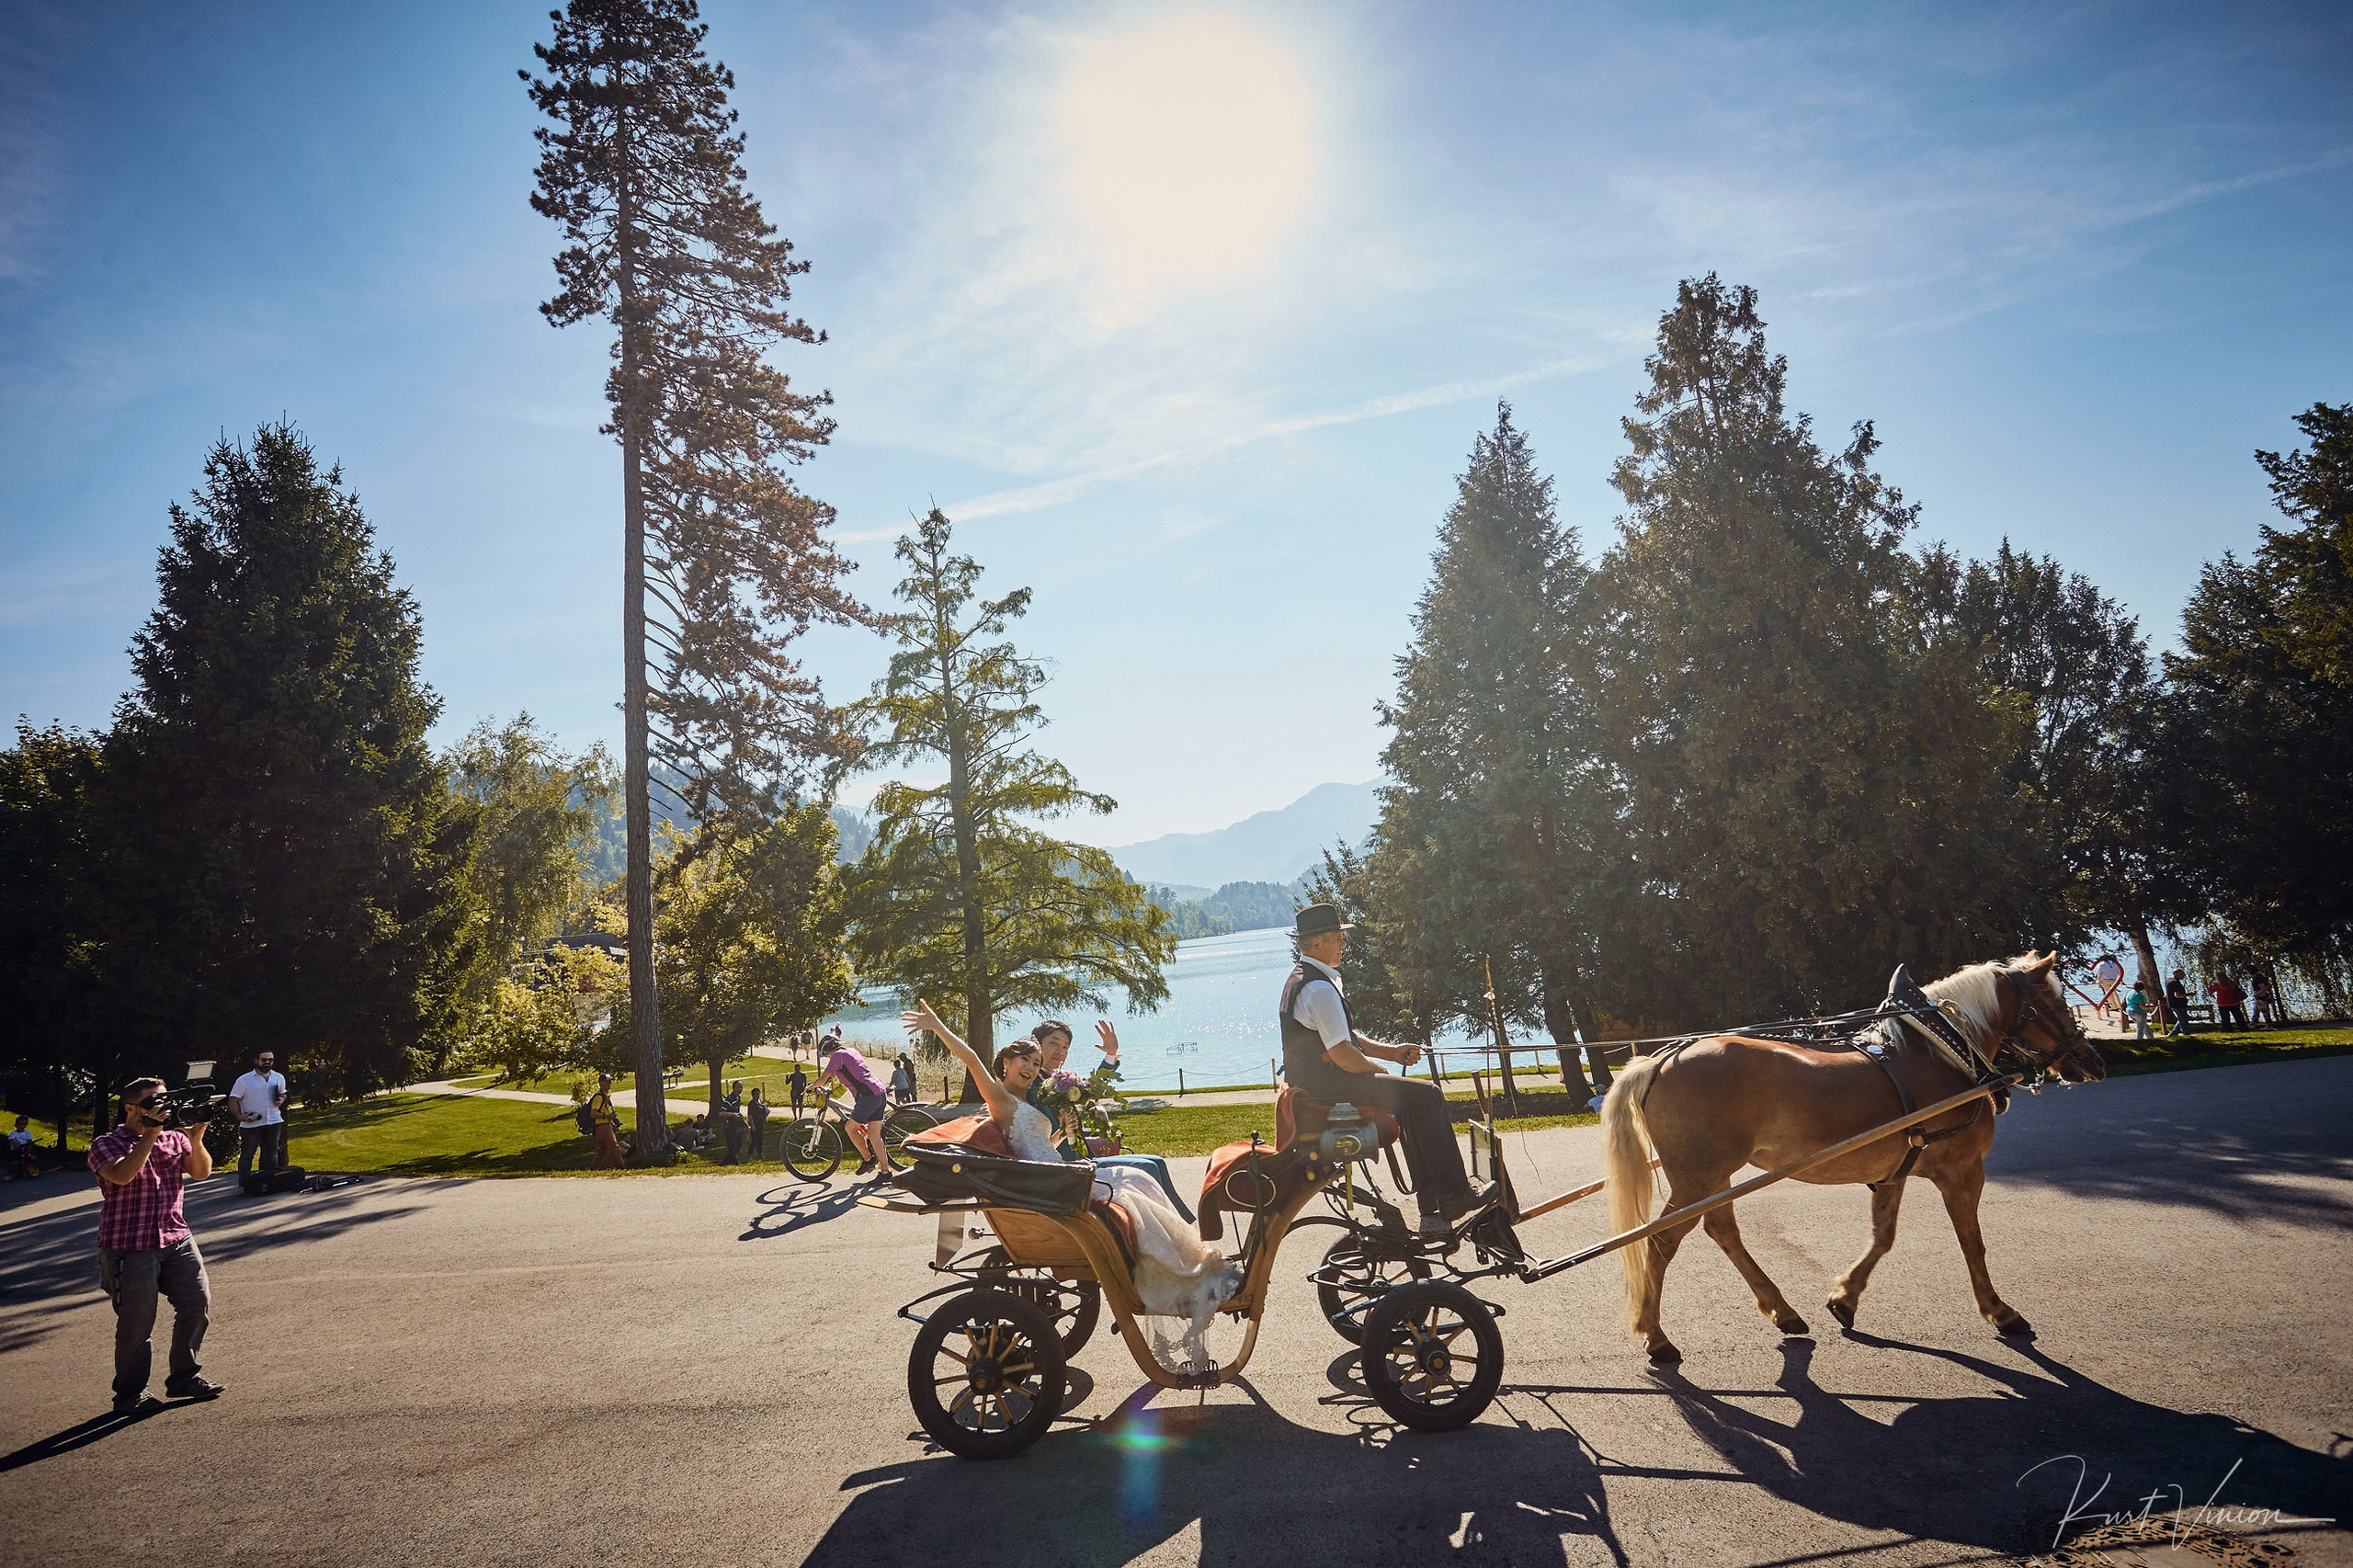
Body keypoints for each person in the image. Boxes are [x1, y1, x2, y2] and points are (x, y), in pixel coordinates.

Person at [904, 999, 1239, 1332]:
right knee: (1131, 1185)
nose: (1032, 1068)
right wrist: (938, 1027)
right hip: (1048, 1181)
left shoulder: (1024, 1100)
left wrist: (1062, 1132)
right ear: (1005, 1062)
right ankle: (1171, 1276)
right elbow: (972, 1059)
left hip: (1052, 1171)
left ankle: (1185, 1263)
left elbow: (1034, 1147)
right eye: (1025, 1060)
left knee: (1139, 1179)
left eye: (1036, 1063)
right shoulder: (1001, 1098)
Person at [1281, 902, 1484, 1234]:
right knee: (1429, 1096)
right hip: (1330, 1087)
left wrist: (1391, 1053)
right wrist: (1379, 1071)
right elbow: (1344, 1054)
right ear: (1315, 942)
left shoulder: (1305, 980)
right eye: (1336, 938)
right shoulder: (1318, 988)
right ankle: (1452, 1194)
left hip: (1318, 1084)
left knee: (1413, 1102)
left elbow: (1343, 1037)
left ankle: (1432, 1204)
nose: (1343, 945)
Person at [88, 1077, 222, 1414]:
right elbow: (121, 1176)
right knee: (137, 1322)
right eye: (153, 1102)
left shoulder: (174, 1138)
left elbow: (201, 1172)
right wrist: (149, 1135)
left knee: (196, 1303)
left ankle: (184, 1377)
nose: (163, 1107)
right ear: (131, 1108)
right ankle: (130, 1395)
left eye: (165, 1100)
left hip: (176, 1238)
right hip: (128, 1246)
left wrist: (196, 1136)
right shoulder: (107, 1143)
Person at [812, 1030, 898, 1182]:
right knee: (874, 1135)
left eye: (825, 1055)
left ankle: (868, 1159)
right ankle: (886, 1173)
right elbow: (851, 1075)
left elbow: (823, 1078)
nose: (827, 1058)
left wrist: (810, 1087)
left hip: (868, 1097)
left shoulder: (837, 1056)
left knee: (850, 1128)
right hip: (878, 1093)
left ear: (828, 1050)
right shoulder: (851, 1051)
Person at [227, 1050, 289, 1186]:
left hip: (273, 1120)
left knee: (272, 1153)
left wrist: (281, 1100)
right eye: (264, 1059)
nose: (267, 1062)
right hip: (251, 1123)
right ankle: (244, 1185)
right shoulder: (244, 1080)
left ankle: (271, 1182)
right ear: (256, 1061)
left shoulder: (278, 1077)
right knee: (248, 1154)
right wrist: (239, 1116)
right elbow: (233, 1099)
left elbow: (283, 1094)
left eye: (270, 1060)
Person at [586, 1074, 627, 1170]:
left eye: (610, 1082)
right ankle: (621, 1169)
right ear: (600, 1084)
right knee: (614, 1147)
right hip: (603, 1127)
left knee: (603, 1150)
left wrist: (612, 1122)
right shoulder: (599, 1097)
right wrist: (606, 1116)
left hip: (606, 1126)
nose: (609, 1084)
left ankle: (592, 1169)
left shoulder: (606, 1097)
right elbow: (593, 1113)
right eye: (607, 1082)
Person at [718, 1081, 747, 1165]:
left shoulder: (738, 1099)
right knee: (732, 1146)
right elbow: (721, 1113)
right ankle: (730, 1163)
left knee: (739, 1144)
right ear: (733, 1088)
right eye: (738, 1087)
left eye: (741, 1087)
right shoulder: (729, 1099)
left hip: (736, 1125)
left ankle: (727, 1162)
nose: (740, 1089)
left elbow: (737, 1111)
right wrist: (733, 1115)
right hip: (729, 1126)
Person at [6, 1113, 39, 1181]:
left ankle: (32, 1168)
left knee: (31, 1157)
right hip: (16, 1149)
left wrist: (29, 1147)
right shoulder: (13, 1134)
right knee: (15, 1162)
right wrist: (17, 1144)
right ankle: (9, 1173)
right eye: (20, 1124)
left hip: (25, 1148)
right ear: (16, 1125)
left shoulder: (27, 1133)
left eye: (24, 1124)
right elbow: (13, 1141)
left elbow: (30, 1141)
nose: (22, 1126)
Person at [745, 1085, 770, 1160]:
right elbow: (750, 1115)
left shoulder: (760, 1103)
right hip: (754, 1124)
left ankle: (760, 1153)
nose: (757, 1095)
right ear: (752, 1095)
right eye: (756, 1094)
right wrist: (752, 1125)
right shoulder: (751, 1104)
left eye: (758, 1094)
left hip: (760, 1124)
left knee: (760, 1139)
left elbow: (764, 1111)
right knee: (754, 1140)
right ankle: (749, 1154)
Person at [2165, 970, 2194, 1037]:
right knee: (2183, 1019)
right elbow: (2178, 995)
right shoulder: (2175, 982)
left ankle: (2174, 1033)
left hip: (2173, 1003)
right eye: (2182, 974)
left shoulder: (2168, 980)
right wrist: (2189, 994)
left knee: (2182, 1018)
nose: (2184, 975)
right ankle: (2186, 1033)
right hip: (2178, 1004)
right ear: (2176, 974)